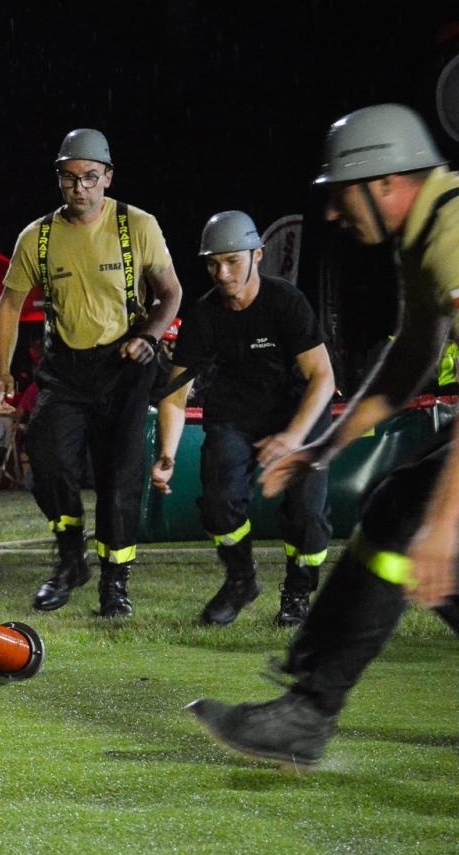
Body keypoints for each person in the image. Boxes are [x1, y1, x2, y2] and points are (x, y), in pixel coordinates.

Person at [191, 103, 459, 767]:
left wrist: (447, 524)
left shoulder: (453, 227)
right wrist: (325, 446)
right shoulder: (426, 235)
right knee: (401, 512)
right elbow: (409, 362)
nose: (334, 215)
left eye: (341, 196)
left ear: (386, 182)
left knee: (418, 519)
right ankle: (307, 712)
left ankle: (306, 714)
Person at [0, 127, 183, 617]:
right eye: (70, 178)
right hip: (65, 369)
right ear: (59, 179)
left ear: (108, 177)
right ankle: (70, 559)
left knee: (120, 477)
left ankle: (115, 583)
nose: (81, 188)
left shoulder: (136, 225)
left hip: (124, 365)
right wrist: (3, 373)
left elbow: (170, 294)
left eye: (90, 178)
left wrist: (148, 337)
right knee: (48, 458)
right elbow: (9, 306)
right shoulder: (37, 237)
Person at [152, 210, 337, 627]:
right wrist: (166, 455)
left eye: (232, 260)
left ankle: (298, 589)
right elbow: (175, 396)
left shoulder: (287, 301)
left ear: (258, 254)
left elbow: (323, 378)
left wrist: (293, 437)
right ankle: (240, 580)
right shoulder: (203, 315)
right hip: (236, 415)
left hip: (299, 412)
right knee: (218, 503)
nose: (222, 272)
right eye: (212, 262)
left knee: (307, 511)